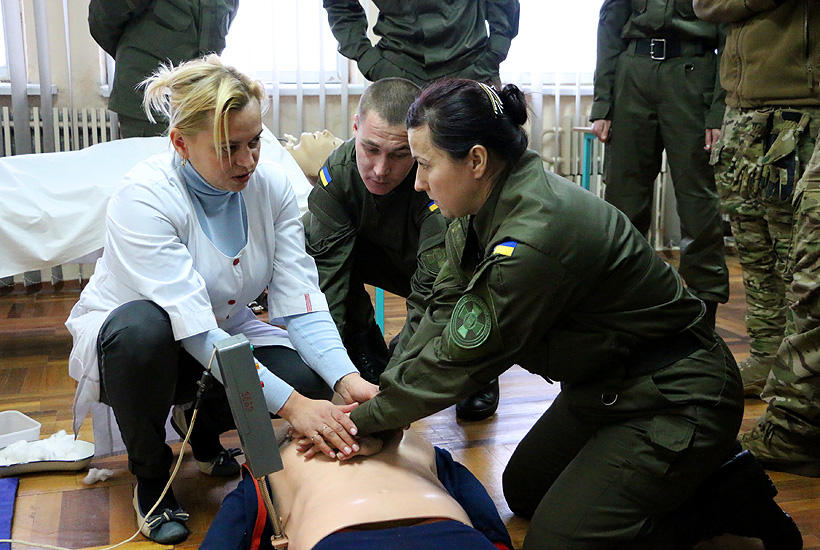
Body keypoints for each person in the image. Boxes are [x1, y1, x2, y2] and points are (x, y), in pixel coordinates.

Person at [296, 79, 802, 549]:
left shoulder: (535, 237)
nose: (419, 183)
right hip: (603, 386)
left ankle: (723, 499)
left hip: (676, 395)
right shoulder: (478, 206)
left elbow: (464, 361)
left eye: (425, 164)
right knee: (525, 492)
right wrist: (387, 391)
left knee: (557, 542)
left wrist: (367, 421)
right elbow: (439, 309)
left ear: (475, 160)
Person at [64, 56, 377, 545]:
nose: (248, 161)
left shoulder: (269, 186)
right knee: (142, 331)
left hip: (223, 332)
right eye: (228, 149)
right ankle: (152, 479)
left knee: (310, 379)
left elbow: (300, 300)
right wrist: (293, 408)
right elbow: (190, 327)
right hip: (143, 347)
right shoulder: (143, 197)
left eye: (254, 142)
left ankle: (200, 424)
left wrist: (347, 378)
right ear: (181, 144)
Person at [303, 78, 499, 421]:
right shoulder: (337, 175)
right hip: (389, 259)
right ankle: (366, 350)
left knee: (460, 290)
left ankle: (474, 363)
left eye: (399, 155)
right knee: (322, 251)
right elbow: (328, 281)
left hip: (451, 275)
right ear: (355, 128)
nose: (380, 170)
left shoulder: (437, 180)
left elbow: (433, 295)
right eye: (370, 149)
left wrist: (394, 385)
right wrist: (328, 371)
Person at [692, 1, 820, 400]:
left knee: (793, 256)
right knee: (753, 248)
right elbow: (705, 5)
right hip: (741, 113)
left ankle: (797, 372)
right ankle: (766, 353)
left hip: (798, 111)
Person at [591, 0, 729, 328]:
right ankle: (624, 302)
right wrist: (603, 102)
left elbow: (729, 35)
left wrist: (719, 109)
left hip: (693, 74)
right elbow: (609, 25)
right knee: (624, 199)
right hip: (632, 75)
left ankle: (703, 312)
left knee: (698, 203)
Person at [200, 428, 514, 550]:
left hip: (340, 538)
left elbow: (231, 529)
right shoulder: (420, 445)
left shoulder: (271, 463)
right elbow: (477, 501)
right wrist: (498, 544)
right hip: (452, 535)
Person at [88, 0, 239, 138]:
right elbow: (101, 19)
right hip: (148, 106)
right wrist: (132, 57)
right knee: (153, 165)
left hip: (201, 101)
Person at [322, 0, 520, 87]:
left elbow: (504, 5)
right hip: (396, 70)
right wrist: (368, 59)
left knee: (482, 163)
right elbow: (340, 5)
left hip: (472, 67)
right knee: (392, 166)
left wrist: (494, 54)